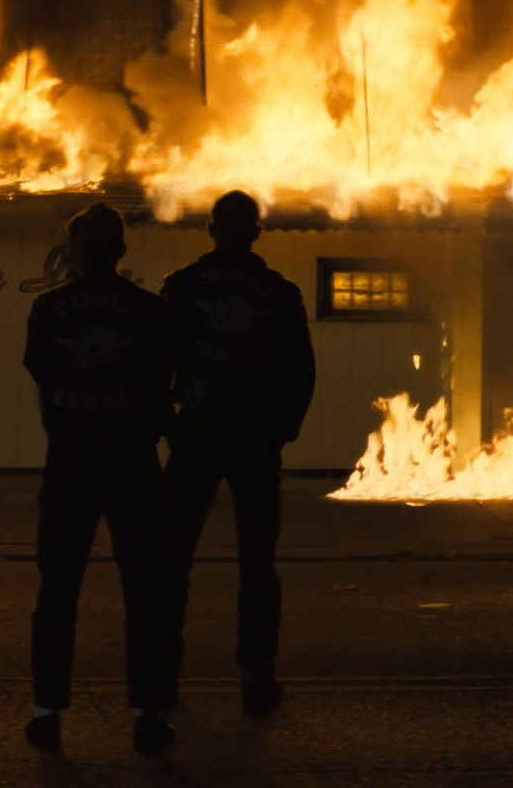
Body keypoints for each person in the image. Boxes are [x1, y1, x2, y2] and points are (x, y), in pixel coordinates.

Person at [22, 202, 180, 755]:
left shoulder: (48, 308)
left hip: (71, 460)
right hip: (132, 460)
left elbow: (45, 382)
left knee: (58, 590)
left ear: (74, 250)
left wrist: (69, 428)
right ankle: (147, 714)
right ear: (121, 249)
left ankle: (47, 713)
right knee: (146, 590)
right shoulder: (150, 310)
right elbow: (162, 385)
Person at [162, 190, 315, 716]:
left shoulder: (182, 287)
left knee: (172, 556)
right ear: (255, 233)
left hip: (198, 433)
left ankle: (163, 670)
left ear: (211, 230)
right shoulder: (280, 293)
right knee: (258, 561)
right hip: (254, 436)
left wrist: (170, 426)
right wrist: (282, 429)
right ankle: (256, 675)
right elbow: (300, 369)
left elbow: (155, 363)